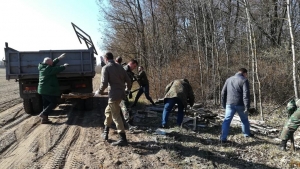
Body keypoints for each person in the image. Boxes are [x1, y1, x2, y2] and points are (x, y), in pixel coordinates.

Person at [95, 52, 132, 146]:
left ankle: (123, 139)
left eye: (104, 59)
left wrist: (99, 92)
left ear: (106, 59)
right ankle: (106, 132)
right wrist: (127, 89)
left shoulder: (106, 68)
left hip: (114, 96)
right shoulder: (120, 67)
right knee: (108, 111)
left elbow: (104, 83)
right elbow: (128, 80)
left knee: (116, 116)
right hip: (121, 94)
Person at [220, 68, 254, 143]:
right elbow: (246, 94)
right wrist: (247, 106)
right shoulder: (244, 80)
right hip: (240, 104)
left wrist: (223, 104)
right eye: (246, 74)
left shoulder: (228, 79)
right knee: (244, 120)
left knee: (226, 121)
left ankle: (223, 138)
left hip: (229, 103)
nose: (246, 76)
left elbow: (223, 92)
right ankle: (246, 134)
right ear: (244, 73)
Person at [38, 53, 69, 124]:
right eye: (51, 62)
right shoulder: (47, 69)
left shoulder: (44, 66)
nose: (52, 63)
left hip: (43, 89)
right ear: (48, 62)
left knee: (46, 104)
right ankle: (43, 114)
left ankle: (44, 119)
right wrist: (64, 66)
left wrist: (59, 58)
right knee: (54, 103)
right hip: (46, 89)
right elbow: (55, 69)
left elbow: (52, 64)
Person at [119, 59, 138, 127]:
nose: (134, 68)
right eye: (134, 66)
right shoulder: (125, 70)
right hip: (121, 91)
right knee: (126, 107)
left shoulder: (128, 71)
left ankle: (123, 122)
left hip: (124, 91)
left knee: (123, 107)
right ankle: (129, 124)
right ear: (131, 63)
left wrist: (128, 91)